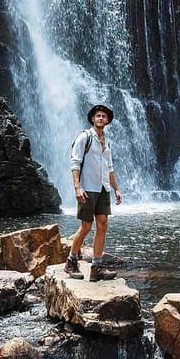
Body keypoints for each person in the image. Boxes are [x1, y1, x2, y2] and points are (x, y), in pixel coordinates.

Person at [65, 104, 123, 282]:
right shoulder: (85, 138)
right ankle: (71, 261)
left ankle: (96, 267)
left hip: (103, 188)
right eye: (98, 116)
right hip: (87, 187)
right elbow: (75, 163)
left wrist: (116, 189)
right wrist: (77, 188)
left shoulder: (107, 142)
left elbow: (110, 168)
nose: (101, 118)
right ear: (92, 119)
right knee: (86, 226)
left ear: (107, 120)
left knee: (103, 224)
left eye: (104, 116)